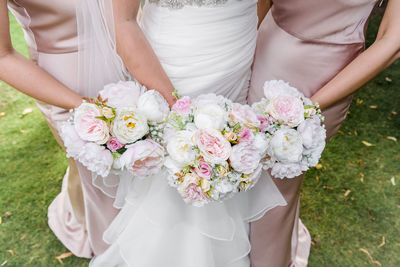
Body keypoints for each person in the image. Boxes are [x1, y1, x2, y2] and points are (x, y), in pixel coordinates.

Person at [74, 0, 286, 266]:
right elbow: (122, 23)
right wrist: (178, 109)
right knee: (177, 171)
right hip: (174, 68)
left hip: (236, 57)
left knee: (228, 165)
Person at [248, 0, 400, 266]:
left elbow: (393, 42)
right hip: (266, 47)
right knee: (243, 166)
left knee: (274, 188)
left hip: (323, 80)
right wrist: (246, 50)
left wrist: (308, 107)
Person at [1, 1, 121, 257]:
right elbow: (2, 56)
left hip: (128, 58)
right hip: (65, 85)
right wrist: (84, 107)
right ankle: (106, 240)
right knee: (96, 171)